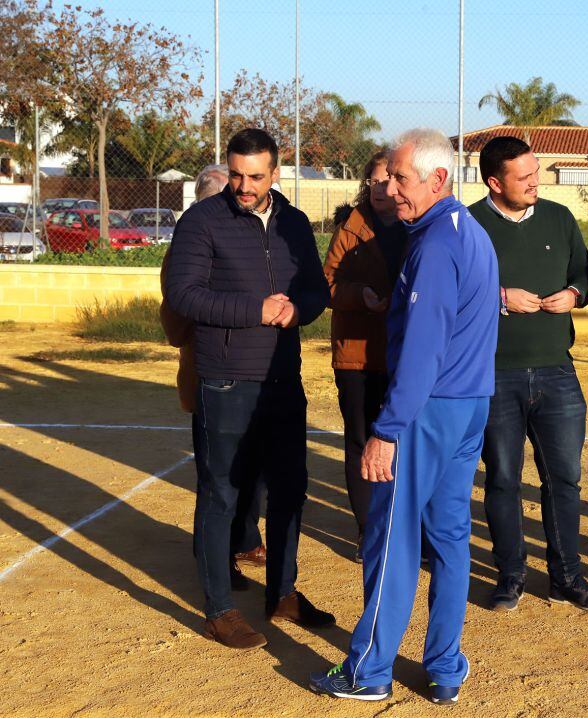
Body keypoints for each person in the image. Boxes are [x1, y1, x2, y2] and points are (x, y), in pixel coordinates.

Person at [309, 128, 499, 705]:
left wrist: (387, 430)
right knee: (449, 536)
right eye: (388, 176)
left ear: (437, 179)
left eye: (400, 178)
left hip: (428, 409)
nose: (389, 188)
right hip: (469, 405)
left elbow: (423, 346)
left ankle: (369, 670)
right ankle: (443, 666)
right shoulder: (470, 232)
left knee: (391, 539)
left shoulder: (437, 242)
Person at [165, 128, 334, 650]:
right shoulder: (201, 221)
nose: (243, 186)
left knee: (289, 490)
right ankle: (220, 609)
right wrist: (256, 310)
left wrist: (297, 308)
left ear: (275, 174)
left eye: (254, 176)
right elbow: (184, 295)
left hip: (283, 378)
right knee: (221, 494)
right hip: (226, 378)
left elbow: (316, 289)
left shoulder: (297, 222)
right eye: (236, 175)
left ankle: (282, 593)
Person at [468, 136, 588, 614]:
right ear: (495, 182)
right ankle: (510, 575)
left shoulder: (559, 218)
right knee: (504, 480)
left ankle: (568, 576)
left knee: (564, 479)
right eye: (525, 176)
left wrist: (574, 292)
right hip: (493, 375)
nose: (537, 182)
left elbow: (586, 272)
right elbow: (452, 291)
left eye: (537, 172)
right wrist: (498, 297)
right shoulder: (468, 225)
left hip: (557, 371)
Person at [159, 164, 267, 591]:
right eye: (222, 196)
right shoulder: (189, 245)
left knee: (252, 467)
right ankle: (217, 560)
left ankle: (244, 539)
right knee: (217, 475)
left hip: (253, 369)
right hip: (210, 369)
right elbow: (175, 313)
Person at [322, 150, 409, 560]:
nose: (380, 188)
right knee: (360, 441)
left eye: (388, 179)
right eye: (373, 181)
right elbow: (328, 285)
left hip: (406, 354)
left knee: (403, 443)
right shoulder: (350, 225)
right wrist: (361, 296)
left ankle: (405, 527)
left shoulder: (418, 224)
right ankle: (367, 531)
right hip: (356, 353)